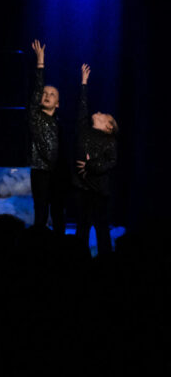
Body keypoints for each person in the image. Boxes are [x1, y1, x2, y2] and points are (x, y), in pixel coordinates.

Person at [72, 64, 117, 255]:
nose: (98, 113)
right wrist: (84, 83)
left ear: (108, 126)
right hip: (82, 187)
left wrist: (91, 165)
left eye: (103, 115)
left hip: (99, 190)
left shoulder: (109, 140)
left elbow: (111, 162)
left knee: (101, 226)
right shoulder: (85, 130)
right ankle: (78, 256)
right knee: (82, 226)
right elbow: (82, 108)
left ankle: (105, 257)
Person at [28, 39, 65, 232]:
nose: (47, 95)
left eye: (52, 94)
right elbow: (37, 91)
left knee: (58, 211)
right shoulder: (36, 116)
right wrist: (40, 63)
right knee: (41, 211)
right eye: (45, 93)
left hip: (57, 171)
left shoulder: (59, 124)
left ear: (57, 103)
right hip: (41, 169)